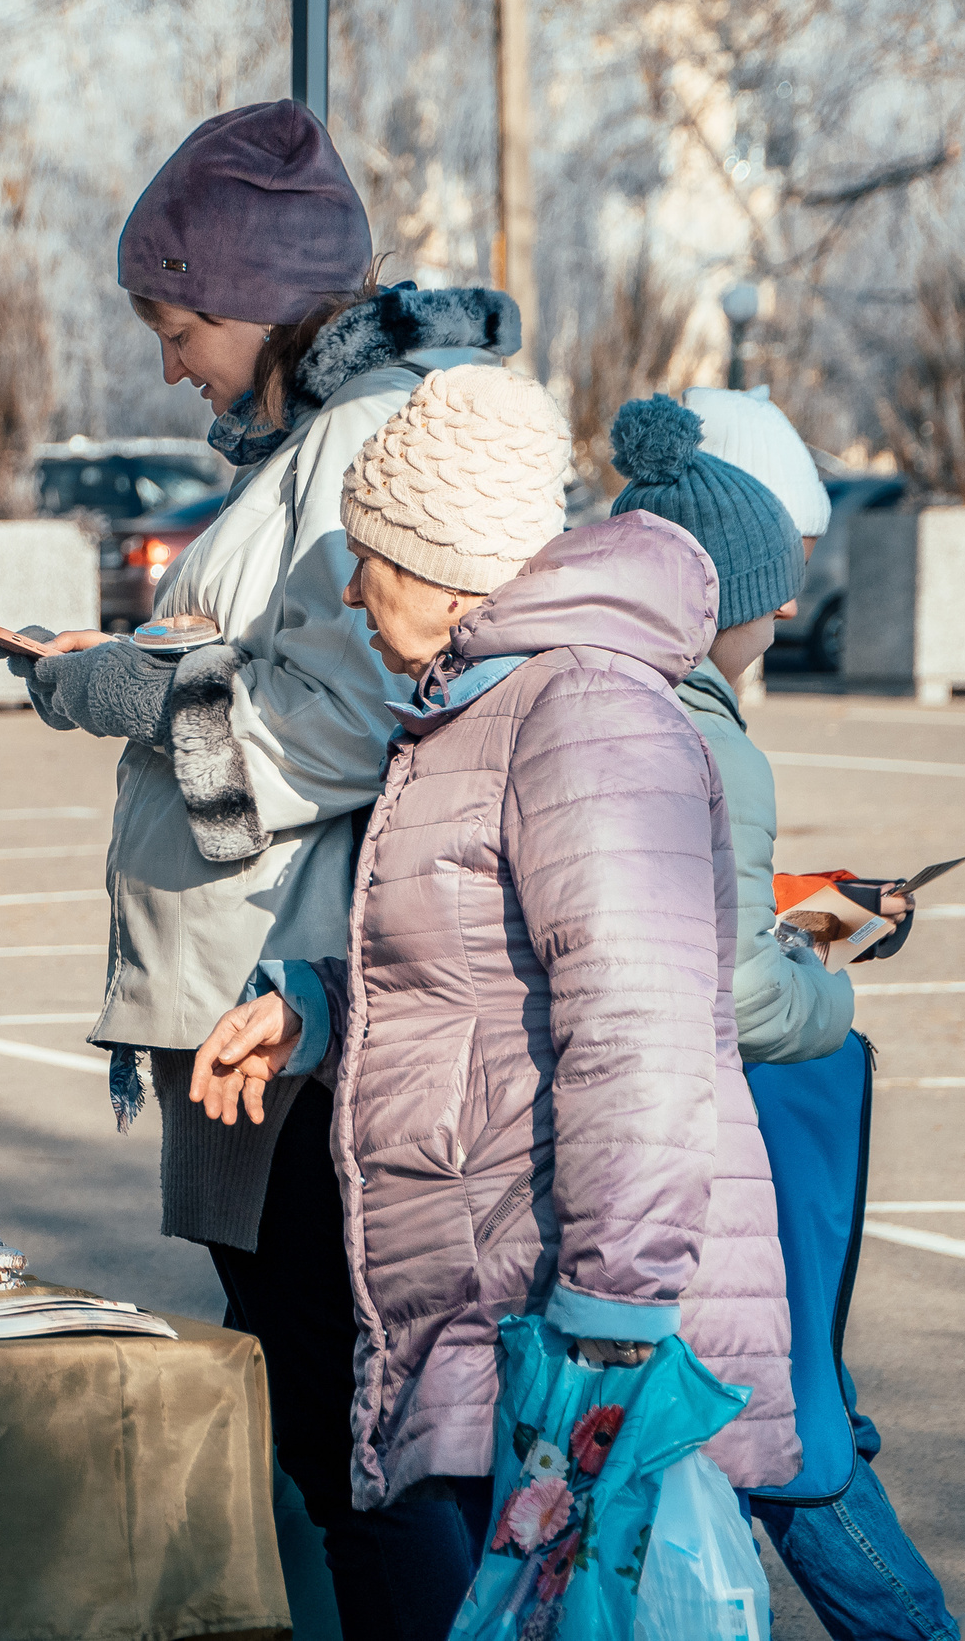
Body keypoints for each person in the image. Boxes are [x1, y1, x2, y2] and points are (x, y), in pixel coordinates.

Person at [0, 98, 523, 1621]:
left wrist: (135, 689)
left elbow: (350, 717)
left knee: (350, 1420)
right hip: (273, 989)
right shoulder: (324, 430)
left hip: (295, 1002)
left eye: (176, 323)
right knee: (329, 1406)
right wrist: (149, 668)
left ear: (254, 302)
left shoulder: (361, 435)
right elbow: (296, 670)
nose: (168, 361)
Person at [186, 385, 801, 1639]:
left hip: (553, 1329)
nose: (354, 595)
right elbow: (476, 969)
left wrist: (611, 1336)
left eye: (369, 562)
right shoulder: (483, 704)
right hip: (483, 1293)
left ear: (449, 568)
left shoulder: (580, 712)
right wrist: (312, 1007)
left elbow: (644, 1039)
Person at [611, 391, 963, 1641]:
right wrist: (833, 983)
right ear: (722, 597)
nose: (792, 607)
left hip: (619, 1137)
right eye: (780, 579)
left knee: (777, 1407)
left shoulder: (590, 692)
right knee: (794, 1420)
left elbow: (687, 894)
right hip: (695, 1139)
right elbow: (743, 991)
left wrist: (806, 899)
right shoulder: (705, 731)